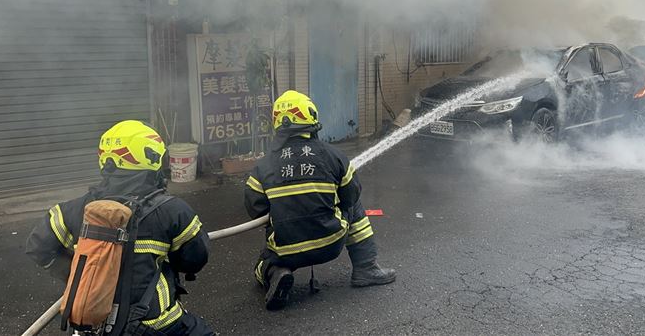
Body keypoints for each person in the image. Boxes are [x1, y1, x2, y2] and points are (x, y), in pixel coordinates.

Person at [26, 120, 214, 335]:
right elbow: (194, 260)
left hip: (94, 327)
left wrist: (77, 272)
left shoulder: (75, 210)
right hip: (156, 324)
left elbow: (37, 247)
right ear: (151, 157)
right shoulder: (172, 211)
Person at [244, 90, 396, 310]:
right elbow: (351, 195)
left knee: (264, 262)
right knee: (355, 206)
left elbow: (255, 210)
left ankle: (278, 272)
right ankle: (366, 268)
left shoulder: (262, 167)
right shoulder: (333, 156)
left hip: (287, 250)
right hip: (331, 243)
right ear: (310, 117)